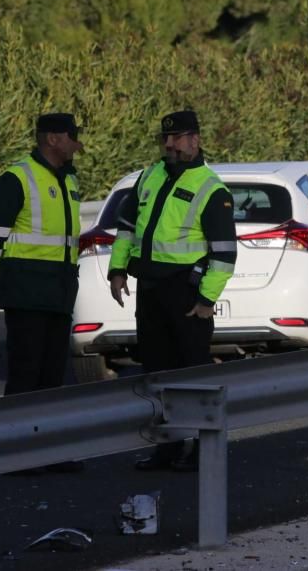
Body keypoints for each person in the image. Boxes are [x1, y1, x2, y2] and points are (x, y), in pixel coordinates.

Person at [107, 110, 237, 472]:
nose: (168, 144)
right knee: (157, 372)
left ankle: (201, 449)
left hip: (186, 295)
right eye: (165, 138)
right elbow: (126, 227)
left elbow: (225, 255)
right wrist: (117, 270)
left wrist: (206, 300)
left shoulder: (211, 189)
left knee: (193, 374)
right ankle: (166, 448)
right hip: (150, 290)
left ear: (195, 140)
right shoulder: (150, 176)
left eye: (177, 138)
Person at [0, 112, 85, 474]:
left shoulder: (68, 179)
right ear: (52, 139)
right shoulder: (18, 177)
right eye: (72, 136)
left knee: (52, 376)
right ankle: (17, 452)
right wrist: (1, 276)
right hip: (26, 291)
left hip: (58, 290)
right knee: (25, 376)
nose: (77, 143)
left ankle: (48, 451)